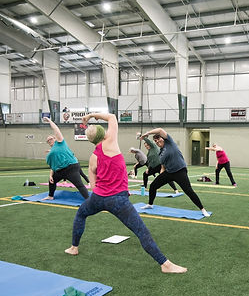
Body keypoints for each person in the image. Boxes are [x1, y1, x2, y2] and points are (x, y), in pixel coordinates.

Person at [64, 113, 187, 274]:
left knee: (81, 214)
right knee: (141, 231)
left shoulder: (93, 157)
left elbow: (93, 186)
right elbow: (112, 117)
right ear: (104, 134)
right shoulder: (111, 142)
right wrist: (91, 115)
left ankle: (74, 247)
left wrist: (101, 200)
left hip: (98, 198)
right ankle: (165, 264)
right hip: (118, 200)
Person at [139, 128, 210, 217]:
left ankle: (202, 209)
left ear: (162, 138)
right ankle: (150, 204)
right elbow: (163, 165)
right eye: (155, 141)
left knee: (188, 191)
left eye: (158, 140)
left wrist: (147, 133)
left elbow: (160, 130)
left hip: (180, 171)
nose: (157, 142)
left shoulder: (169, 143)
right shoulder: (160, 152)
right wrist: (162, 172)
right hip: (169, 172)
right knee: (153, 186)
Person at [43, 117, 89, 200]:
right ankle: (50, 196)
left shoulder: (60, 142)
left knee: (79, 185)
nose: (49, 140)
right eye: (48, 140)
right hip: (60, 171)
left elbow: (56, 129)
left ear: (55, 138)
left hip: (71, 168)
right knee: (51, 180)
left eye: (51, 138)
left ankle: (89, 201)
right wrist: (50, 175)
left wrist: (49, 121)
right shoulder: (52, 151)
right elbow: (53, 166)